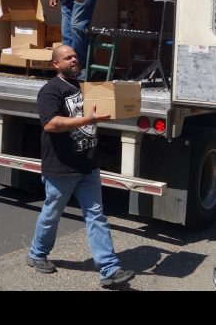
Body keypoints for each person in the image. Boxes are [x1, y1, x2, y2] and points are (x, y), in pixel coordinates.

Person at [26, 44, 135, 288]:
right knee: (52, 214)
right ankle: (36, 254)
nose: (74, 60)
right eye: (68, 58)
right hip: (61, 167)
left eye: (75, 56)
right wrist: (87, 120)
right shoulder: (50, 91)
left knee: (96, 215)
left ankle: (109, 269)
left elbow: (103, 107)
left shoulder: (86, 88)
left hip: (88, 164)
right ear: (56, 64)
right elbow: (51, 124)